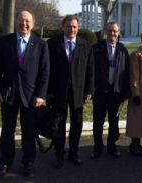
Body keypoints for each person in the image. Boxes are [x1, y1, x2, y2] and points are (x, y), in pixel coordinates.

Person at [0, 10, 49, 178]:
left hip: (31, 96)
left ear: (33, 24)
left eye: (28, 21)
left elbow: (44, 73)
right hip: (8, 95)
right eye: (21, 21)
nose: (24, 24)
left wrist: (40, 95)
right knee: (7, 130)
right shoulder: (4, 42)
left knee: (29, 131)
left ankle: (28, 162)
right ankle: (5, 162)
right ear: (16, 22)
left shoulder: (40, 44)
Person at [46, 15, 95, 168]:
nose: (72, 29)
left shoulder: (85, 45)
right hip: (58, 92)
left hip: (78, 92)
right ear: (63, 27)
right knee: (59, 124)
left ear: (77, 28)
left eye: (74, 27)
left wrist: (89, 90)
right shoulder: (52, 44)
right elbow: (46, 70)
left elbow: (91, 70)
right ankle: (59, 154)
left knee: (77, 124)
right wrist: (48, 90)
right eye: (69, 26)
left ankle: (74, 153)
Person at [90, 22, 130, 159]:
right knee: (98, 121)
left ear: (118, 32)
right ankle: (97, 147)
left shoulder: (123, 50)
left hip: (116, 92)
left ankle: (112, 146)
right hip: (100, 91)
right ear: (105, 32)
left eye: (115, 31)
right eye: (109, 31)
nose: (112, 33)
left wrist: (126, 92)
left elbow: (127, 72)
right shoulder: (96, 48)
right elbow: (91, 71)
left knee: (114, 122)